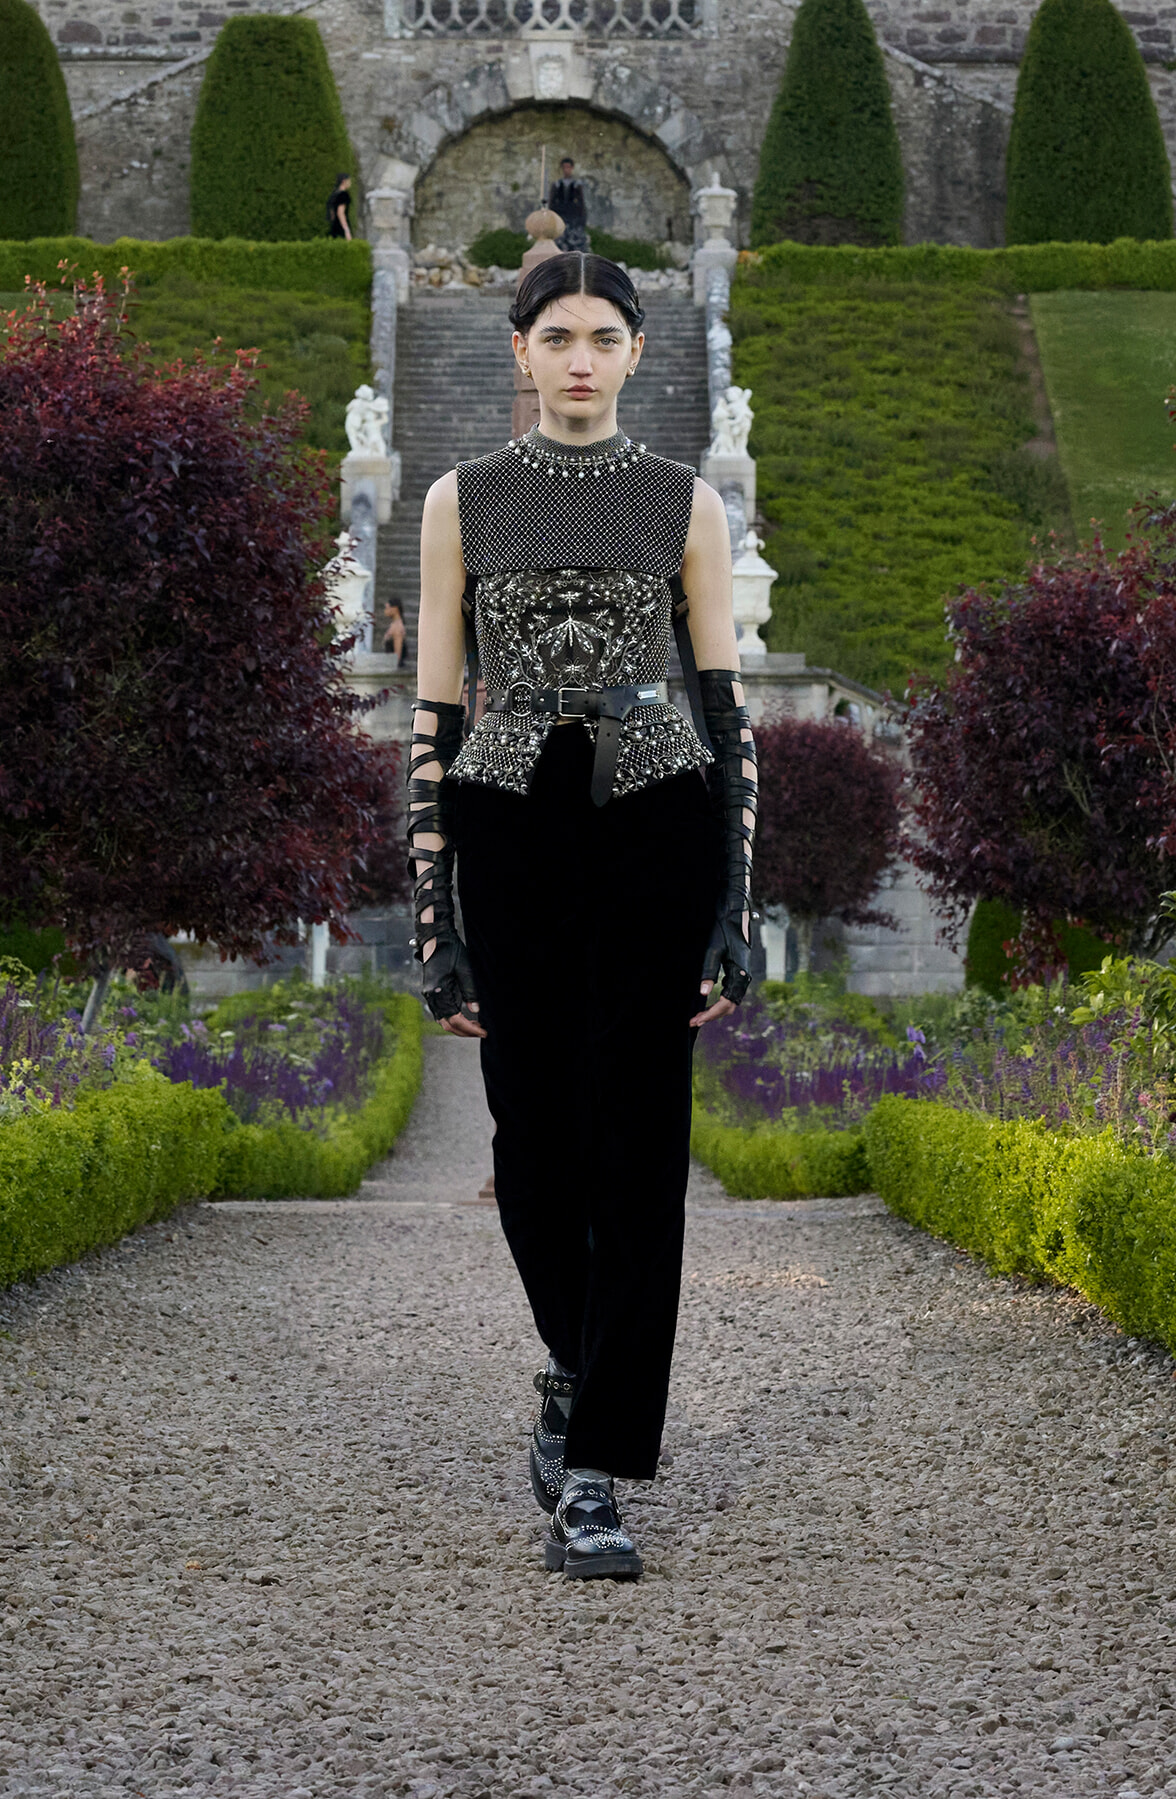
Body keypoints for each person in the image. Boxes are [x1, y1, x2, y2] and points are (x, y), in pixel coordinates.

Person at [408, 252, 755, 1582]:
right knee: (534, 1143)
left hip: (654, 812)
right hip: (507, 816)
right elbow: (434, 720)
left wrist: (736, 900)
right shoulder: (461, 500)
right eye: (557, 335)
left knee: (642, 1146)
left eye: (606, 336)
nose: (580, 359)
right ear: (518, 349)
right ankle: (574, 1366)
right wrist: (434, 912)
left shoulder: (684, 500)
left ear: (637, 350)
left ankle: (599, 1470)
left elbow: (726, 713)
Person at [547, 158, 589, 254]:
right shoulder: (557, 184)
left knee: (576, 244)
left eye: (568, 167)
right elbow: (552, 202)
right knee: (561, 244)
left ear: (572, 168)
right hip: (561, 216)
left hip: (574, 218)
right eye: (564, 167)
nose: (566, 170)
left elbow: (581, 202)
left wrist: (582, 218)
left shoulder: (576, 184)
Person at [382, 598, 408, 668]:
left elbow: (397, 653)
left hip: (393, 666)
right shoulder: (394, 625)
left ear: (395, 609)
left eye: (387, 608)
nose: (385, 611)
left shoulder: (397, 627)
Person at [327, 174, 353, 240]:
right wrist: (346, 230)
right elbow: (340, 213)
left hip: (334, 226)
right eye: (349, 181)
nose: (350, 183)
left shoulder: (334, 193)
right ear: (344, 181)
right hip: (341, 226)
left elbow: (332, 212)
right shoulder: (343, 194)